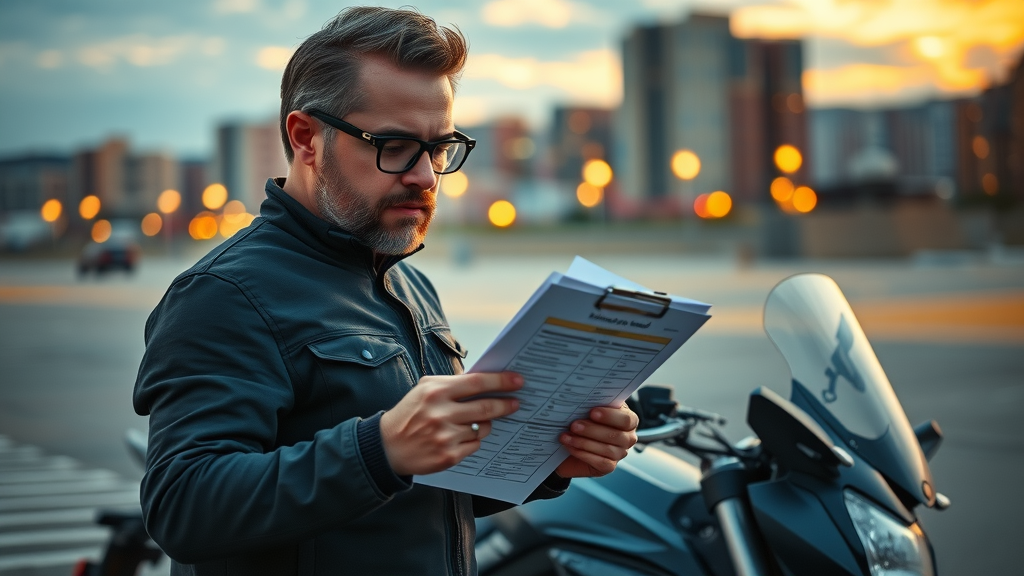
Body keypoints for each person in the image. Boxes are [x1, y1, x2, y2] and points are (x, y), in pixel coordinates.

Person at [133, 6, 639, 575]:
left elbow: (423, 496)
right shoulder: (223, 295)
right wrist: (378, 450)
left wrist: (550, 461)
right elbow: (182, 507)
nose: (425, 176)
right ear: (306, 139)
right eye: (394, 145)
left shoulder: (408, 281)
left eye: (440, 147)